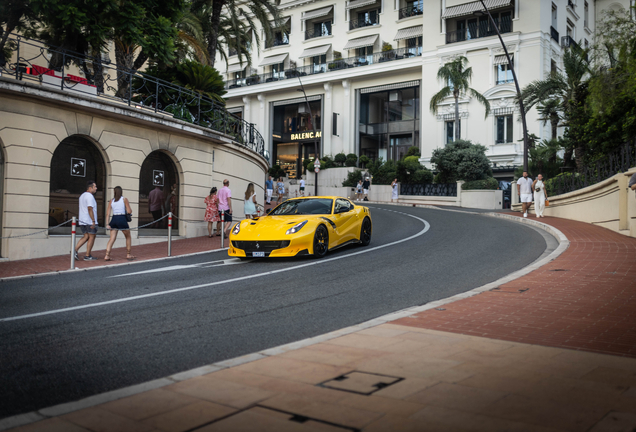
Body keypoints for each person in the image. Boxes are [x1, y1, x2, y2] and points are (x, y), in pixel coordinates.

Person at [104, 186, 135, 261]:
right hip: (121, 219)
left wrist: (107, 224)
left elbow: (107, 213)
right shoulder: (124, 199)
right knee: (128, 236)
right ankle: (128, 254)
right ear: (121, 192)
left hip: (114, 219)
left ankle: (107, 255)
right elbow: (129, 211)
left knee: (112, 238)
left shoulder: (112, 201)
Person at [75, 180, 98, 260]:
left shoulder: (82, 196)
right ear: (90, 188)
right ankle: (88, 255)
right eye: (95, 187)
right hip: (89, 221)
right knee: (92, 236)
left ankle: (75, 250)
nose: (96, 188)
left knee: (86, 236)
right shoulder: (89, 196)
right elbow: (90, 208)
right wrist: (93, 221)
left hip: (82, 220)